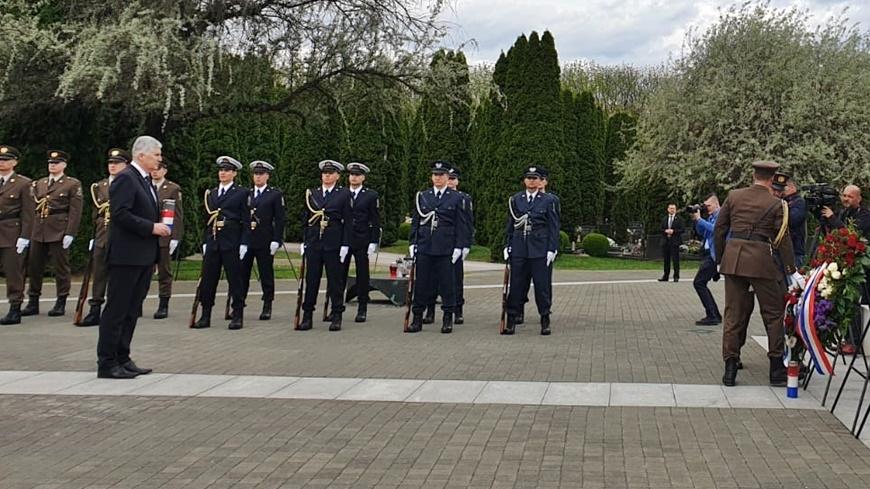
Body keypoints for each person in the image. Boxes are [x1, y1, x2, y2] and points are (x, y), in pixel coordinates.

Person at [714, 160, 801, 387]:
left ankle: (730, 368)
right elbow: (783, 239)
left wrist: (721, 258)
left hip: (733, 260)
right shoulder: (776, 204)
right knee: (773, 314)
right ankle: (776, 370)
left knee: (733, 314)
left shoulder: (734, 196)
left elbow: (720, 229)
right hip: (761, 261)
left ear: (753, 174)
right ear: (772, 179)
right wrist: (791, 270)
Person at [96, 136, 170, 379]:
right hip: (126, 256)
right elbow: (121, 214)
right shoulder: (126, 178)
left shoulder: (144, 179)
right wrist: (151, 227)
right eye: (156, 154)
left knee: (131, 310)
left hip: (142, 256)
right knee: (117, 310)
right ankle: (107, 362)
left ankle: (122, 357)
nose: (159, 159)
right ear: (141, 155)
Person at [406, 161, 470, 334]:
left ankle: (448, 317)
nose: (438, 178)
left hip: (446, 247)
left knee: (447, 284)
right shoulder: (424, 196)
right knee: (422, 284)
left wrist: (460, 246)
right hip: (426, 245)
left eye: (441, 175)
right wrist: (413, 242)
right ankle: (417, 318)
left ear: (447, 177)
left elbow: (461, 225)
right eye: (435, 175)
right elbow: (416, 222)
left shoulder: (457, 198)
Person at [192, 156, 251, 330]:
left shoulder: (241, 193)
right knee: (208, 280)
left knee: (236, 280)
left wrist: (244, 243)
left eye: (227, 170)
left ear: (234, 173)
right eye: (221, 170)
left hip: (232, 241)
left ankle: (237, 314)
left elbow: (246, 220)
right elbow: (207, 219)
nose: (223, 173)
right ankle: (205, 314)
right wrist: (205, 240)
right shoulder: (211, 193)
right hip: (214, 241)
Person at [22, 150, 83, 317]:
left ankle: (61, 301)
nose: (52, 165)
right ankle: (33, 301)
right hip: (39, 228)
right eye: (50, 163)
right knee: (34, 266)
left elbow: (75, 211)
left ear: (64, 165)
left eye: (56, 163)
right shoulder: (39, 184)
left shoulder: (72, 184)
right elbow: (30, 209)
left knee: (60, 267)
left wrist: (70, 232)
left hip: (58, 229)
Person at [502, 166, 560, 336]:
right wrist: (507, 244)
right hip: (520, 248)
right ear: (524, 180)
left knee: (542, 287)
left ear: (540, 180)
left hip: (540, 249)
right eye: (529, 177)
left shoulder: (548, 201)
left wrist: (552, 248)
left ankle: (544, 319)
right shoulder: (516, 200)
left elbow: (553, 227)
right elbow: (511, 225)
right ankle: (511, 319)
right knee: (517, 285)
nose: (532, 181)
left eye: (535, 178)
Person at [78, 148, 130, 327]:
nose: (113, 166)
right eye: (110, 163)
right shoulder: (99, 187)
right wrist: (94, 234)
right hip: (102, 234)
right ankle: (95, 310)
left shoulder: (131, 185)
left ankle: (118, 311)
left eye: (117, 163)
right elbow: (96, 212)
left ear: (126, 165)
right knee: (99, 273)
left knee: (120, 276)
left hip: (122, 235)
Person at [298, 160, 352, 331]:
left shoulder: (343, 194)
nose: (327, 175)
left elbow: (348, 222)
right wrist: (304, 240)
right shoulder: (312, 194)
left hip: (333, 242)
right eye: (325, 173)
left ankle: (336, 315)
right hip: (314, 242)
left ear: (337, 175)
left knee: (335, 281)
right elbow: (305, 219)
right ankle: (307, 316)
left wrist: (345, 244)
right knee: (311, 280)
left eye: (331, 173)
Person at [820, 184, 870, 354]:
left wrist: (833, 217)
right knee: (843, 301)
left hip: (861, 270)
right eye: (844, 196)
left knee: (855, 303)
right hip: (844, 264)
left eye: (850, 196)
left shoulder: (865, 215)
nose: (846, 199)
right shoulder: (844, 213)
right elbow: (834, 233)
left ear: (859, 198)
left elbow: (851, 234)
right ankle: (846, 338)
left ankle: (854, 342)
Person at [424, 165, 472, 325]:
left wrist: (465, 245)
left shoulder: (463, 198)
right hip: (433, 245)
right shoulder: (430, 196)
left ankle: (457, 310)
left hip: (452, 246)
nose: (450, 181)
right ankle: (429, 310)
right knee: (432, 280)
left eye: (453, 178)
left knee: (454, 280)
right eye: (448, 178)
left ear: (457, 181)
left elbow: (466, 224)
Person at [240, 160, 285, 321]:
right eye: (255, 174)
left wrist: (277, 240)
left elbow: (280, 219)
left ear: (267, 176)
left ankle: (267, 304)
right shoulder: (246, 193)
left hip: (265, 239)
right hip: (247, 239)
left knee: (266, 273)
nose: (258, 177)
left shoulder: (274, 194)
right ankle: (239, 303)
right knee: (242, 274)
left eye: (261, 174)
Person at [0, 145, 34, 325]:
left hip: (11, 231)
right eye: (0, 159)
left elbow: (28, 212)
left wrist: (25, 236)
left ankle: (15, 308)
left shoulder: (23, 183)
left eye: (5, 160)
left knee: (13, 271)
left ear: (14, 162)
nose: (2, 163)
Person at [344, 161, 380, 323]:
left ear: (363, 177)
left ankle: (362, 307)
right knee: (338, 274)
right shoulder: (342, 193)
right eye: (352, 174)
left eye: (357, 175)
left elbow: (375, 219)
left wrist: (373, 241)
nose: (354, 177)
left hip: (362, 239)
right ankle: (336, 307)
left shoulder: (370, 195)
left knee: (362, 274)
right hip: (343, 239)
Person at [151, 160, 183, 319]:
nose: (155, 172)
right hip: (147, 234)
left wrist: (175, 237)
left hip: (164, 234)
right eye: (153, 169)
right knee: (143, 270)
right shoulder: (145, 186)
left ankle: (163, 304)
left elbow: (176, 215)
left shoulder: (172, 188)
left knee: (164, 271)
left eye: (158, 169)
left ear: (165, 171)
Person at [690, 194, 722, 325]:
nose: (706, 208)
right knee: (700, 282)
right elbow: (702, 232)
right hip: (709, 254)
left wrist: (700, 220)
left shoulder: (720, 215)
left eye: (708, 205)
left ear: (716, 204)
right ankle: (715, 314)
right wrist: (697, 220)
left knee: (699, 282)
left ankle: (712, 315)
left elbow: (716, 230)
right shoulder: (710, 217)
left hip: (715, 255)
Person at [772, 173, 808, 268]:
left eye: (784, 187)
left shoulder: (799, 202)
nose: (782, 191)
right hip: (779, 249)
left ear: (792, 188)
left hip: (794, 249)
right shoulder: (780, 201)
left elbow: (791, 220)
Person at [658, 203, 684, 282]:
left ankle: (676, 276)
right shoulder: (664, 219)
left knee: (675, 260)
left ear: (675, 210)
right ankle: (666, 276)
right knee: (666, 260)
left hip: (675, 242)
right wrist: (665, 231)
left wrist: (673, 231)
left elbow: (682, 230)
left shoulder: (680, 219)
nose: (672, 210)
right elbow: (660, 229)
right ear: (668, 209)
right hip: (666, 242)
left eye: (673, 208)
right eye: (670, 208)